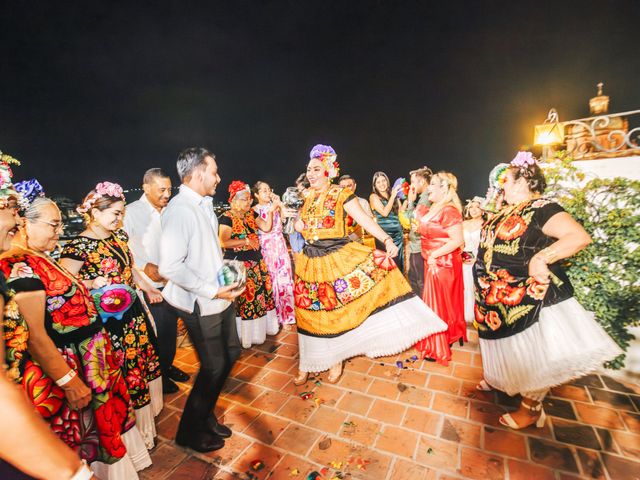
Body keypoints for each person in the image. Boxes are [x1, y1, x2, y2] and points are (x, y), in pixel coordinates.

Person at [2, 181, 150, 478]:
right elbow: (37, 337)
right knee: (86, 435)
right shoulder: (21, 267)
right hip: (74, 365)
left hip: (91, 359)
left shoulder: (40, 257)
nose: (59, 232)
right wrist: (69, 380)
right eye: (53, 225)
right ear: (26, 224)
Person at [473, 151, 621, 429]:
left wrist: (541, 258)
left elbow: (578, 237)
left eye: (506, 180)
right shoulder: (505, 210)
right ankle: (502, 381)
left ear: (521, 182)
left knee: (535, 355)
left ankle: (531, 408)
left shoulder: (543, 207)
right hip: (499, 299)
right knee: (512, 349)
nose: (501, 185)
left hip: (532, 299)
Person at [292, 144, 447, 385]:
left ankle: (336, 359)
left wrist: (386, 239)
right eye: (308, 169)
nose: (310, 173)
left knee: (334, 312)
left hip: (336, 258)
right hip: (309, 260)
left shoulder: (342, 194)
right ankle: (307, 362)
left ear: (328, 171)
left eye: (315, 169)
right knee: (307, 311)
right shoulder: (307, 196)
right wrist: (297, 222)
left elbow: (365, 220)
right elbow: (301, 226)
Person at [0, 160, 95, 480]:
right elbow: (35, 336)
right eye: (10, 207)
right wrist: (73, 474)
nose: (16, 217)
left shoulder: (30, 259)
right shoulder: (19, 268)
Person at [60, 182, 163, 450]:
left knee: (139, 365)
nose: (119, 219)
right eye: (114, 214)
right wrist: (92, 284)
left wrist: (149, 288)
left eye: (121, 214)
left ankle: (145, 427)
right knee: (123, 373)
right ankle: (129, 434)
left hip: (133, 314)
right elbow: (63, 287)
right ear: (94, 212)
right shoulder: (78, 246)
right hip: (108, 324)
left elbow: (132, 269)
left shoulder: (119, 238)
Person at [158, 147, 244, 453]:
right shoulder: (180, 209)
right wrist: (211, 290)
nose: (218, 177)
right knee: (213, 366)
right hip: (200, 302)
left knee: (231, 353)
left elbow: (208, 253)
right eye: (214, 172)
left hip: (220, 296)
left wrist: (226, 281)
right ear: (197, 174)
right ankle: (188, 432)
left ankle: (205, 416)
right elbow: (169, 266)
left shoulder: (204, 204)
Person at [123, 168, 190, 395]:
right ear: (146, 188)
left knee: (171, 330)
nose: (167, 194)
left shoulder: (170, 211)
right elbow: (122, 249)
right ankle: (158, 375)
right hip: (149, 286)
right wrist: (144, 266)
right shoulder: (131, 213)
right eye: (162, 190)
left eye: (169, 189)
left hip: (173, 282)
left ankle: (167, 366)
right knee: (158, 332)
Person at [413, 172, 466, 364]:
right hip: (433, 262)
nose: (428, 188)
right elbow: (420, 216)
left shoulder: (449, 210)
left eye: (433, 184)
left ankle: (440, 342)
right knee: (437, 303)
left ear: (444, 188)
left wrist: (434, 255)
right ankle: (443, 336)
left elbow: (458, 240)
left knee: (440, 305)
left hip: (443, 263)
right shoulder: (436, 207)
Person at [219, 181, 277, 347]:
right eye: (245, 199)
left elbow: (266, 227)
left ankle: (256, 335)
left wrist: (271, 212)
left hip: (256, 262)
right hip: (237, 265)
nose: (249, 202)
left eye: (249, 199)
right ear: (234, 200)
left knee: (258, 299)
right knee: (240, 302)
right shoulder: (227, 217)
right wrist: (245, 241)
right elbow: (223, 242)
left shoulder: (251, 214)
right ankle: (239, 337)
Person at [252, 181, 296, 330]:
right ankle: (274, 318)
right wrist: (271, 209)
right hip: (267, 248)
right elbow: (266, 227)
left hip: (280, 245)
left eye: (268, 189)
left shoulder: (274, 206)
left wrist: (280, 204)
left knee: (284, 279)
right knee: (272, 282)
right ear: (256, 194)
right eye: (263, 190)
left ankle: (287, 317)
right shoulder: (254, 210)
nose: (267, 192)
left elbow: (286, 222)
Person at [403, 167, 432, 296]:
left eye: (413, 182)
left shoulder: (426, 199)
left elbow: (412, 221)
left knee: (419, 283)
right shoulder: (423, 198)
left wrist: (410, 201)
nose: (411, 186)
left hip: (420, 247)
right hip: (417, 246)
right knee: (415, 280)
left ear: (421, 182)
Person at [370, 171, 404, 270]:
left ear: (387, 181)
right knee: (388, 266)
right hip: (384, 237)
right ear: (375, 185)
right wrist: (393, 196)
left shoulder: (393, 195)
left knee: (399, 265)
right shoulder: (374, 197)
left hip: (398, 236)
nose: (382, 184)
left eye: (383, 180)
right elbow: (384, 213)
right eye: (378, 182)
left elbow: (401, 212)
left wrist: (408, 198)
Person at [462, 197, 485, 323]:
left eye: (477, 207)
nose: (474, 210)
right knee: (465, 285)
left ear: (482, 209)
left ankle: (478, 314)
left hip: (480, 257)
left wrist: (476, 258)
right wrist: (462, 256)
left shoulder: (486, 224)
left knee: (476, 286)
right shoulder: (464, 224)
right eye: (471, 207)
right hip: (465, 257)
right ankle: (466, 313)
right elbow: (460, 243)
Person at [338, 174, 372, 243]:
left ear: (355, 186)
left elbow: (371, 226)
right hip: (340, 245)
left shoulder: (363, 203)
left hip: (361, 244)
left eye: (349, 186)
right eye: (343, 187)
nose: (346, 189)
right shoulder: (334, 205)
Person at [288, 173, 309, 258]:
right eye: (298, 191)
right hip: (299, 250)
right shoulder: (295, 207)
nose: (299, 195)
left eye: (302, 191)